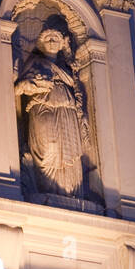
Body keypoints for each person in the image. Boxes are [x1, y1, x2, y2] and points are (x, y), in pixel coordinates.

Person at [14, 14, 90, 200]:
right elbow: (18, 88)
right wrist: (30, 85)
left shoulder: (68, 68)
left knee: (69, 154)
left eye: (55, 38)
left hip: (67, 114)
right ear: (41, 41)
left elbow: (77, 91)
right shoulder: (35, 62)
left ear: (63, 42)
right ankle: (44, 191)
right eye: (48, 38)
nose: (51, 41)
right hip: (42, 110)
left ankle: (70, 194)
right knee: (47, 151)